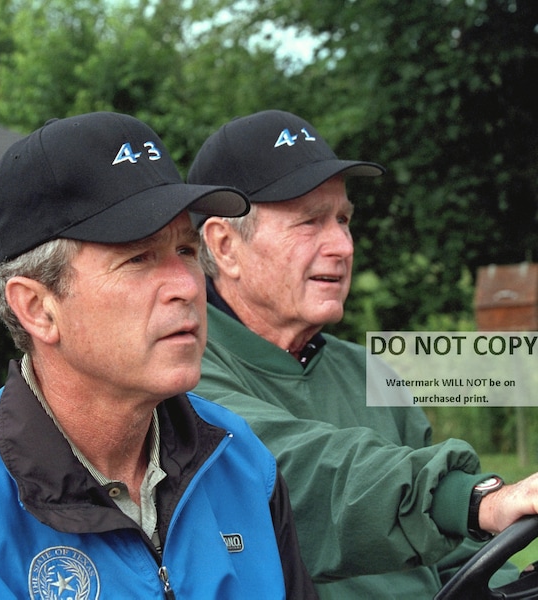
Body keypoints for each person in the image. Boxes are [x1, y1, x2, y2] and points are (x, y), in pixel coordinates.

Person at [0, 111, 318, 600]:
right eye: (138, 258)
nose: (186, 286)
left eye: (185, 251)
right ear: (36, 308)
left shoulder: (239, 459)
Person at [187, 109, 538, 599]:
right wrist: (473, 498)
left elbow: (451, 550)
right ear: (224, 246)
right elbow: (292, 471)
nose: (343, 246)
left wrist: (513, 587)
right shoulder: (184, 371)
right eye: (310, 222)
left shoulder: (368, 370)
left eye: (344, 219)